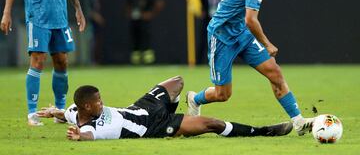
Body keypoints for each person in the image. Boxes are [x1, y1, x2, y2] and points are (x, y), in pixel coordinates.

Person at [186, 0, 314, 136]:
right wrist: (267, 44)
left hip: (241, 33)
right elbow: (251, 20)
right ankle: (195, 99)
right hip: (221, 36)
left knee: (274, 72)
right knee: (223, 94)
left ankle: (298, 122)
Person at [36, 76, 293, 140]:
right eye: (99, 102)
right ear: (88, 107)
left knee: (176, 83)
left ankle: (182, 114)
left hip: (141, 107)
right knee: (211, 124)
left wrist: (54, 113)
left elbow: (67, 113)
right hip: (153, 127)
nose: (102, 104)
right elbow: (90, 135)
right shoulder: (101, 127)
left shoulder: (76, 110)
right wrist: (79, 136)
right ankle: (262, 132)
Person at [125, 0, 164, 65]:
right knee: (135, 44)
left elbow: (160, 3)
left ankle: (149, 63)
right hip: (134, 23)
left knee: (146, 44)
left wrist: (151, 14)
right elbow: (127, 8)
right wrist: (129, 14)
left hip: (144, 24)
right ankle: (135, 63)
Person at [88, 0, 105, 65]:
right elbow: (87, 9)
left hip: (94, 23)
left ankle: (93, 60)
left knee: (94, 41)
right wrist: (96, 16)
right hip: (88, 22)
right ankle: (90, 61)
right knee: (91, 41)